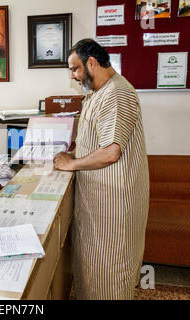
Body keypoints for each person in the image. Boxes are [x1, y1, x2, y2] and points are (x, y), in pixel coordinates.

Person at [53, 39, 149, 299]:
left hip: (114, 205)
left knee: (110, 276)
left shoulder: (117, 93)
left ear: (92, 63)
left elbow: (111, 152)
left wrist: (71, 163)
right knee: (93, 273)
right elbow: (95, 141)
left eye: (75, 69)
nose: (73, 76)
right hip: (97, 202)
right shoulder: (98, 92)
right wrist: (72, 154)